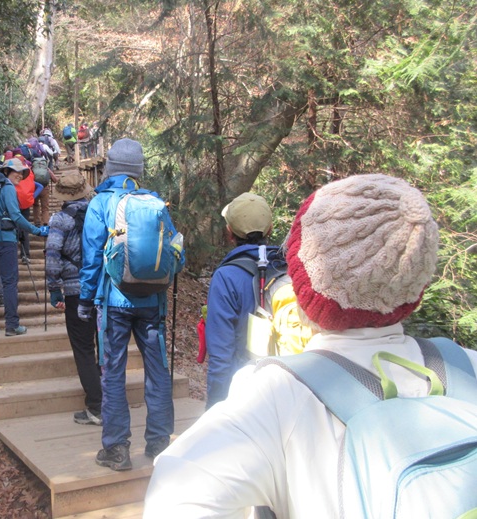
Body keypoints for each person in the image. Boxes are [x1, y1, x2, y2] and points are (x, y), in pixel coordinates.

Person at [144, 173, 477, 517]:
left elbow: (172, 497)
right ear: (415, 286)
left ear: (306, 281)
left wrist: (218, 411)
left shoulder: (273, 397)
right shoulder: (466, 364)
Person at [79, 138, 183, 471]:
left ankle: (117, 449)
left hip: (113, 303)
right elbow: (176, 254)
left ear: (109, 168)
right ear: (138, 170)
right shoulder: (155, 203)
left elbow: (91, 257)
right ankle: (159, 443)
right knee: (157, 371)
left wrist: (85, 299)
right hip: (152, 303)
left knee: (112, 372)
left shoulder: (101, 203)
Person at [204, 192, 275, 408]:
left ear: (229, 233)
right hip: (287, 386)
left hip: (243, 392)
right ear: (270, 230)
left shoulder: (226, 276)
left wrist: (215, 405)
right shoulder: (290, 269)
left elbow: (220, 354)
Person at [45, 173, 103, 426]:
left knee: (83, 348)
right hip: (102, 289)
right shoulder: (98, 214)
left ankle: (97, 407)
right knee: (105, 345)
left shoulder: (60, 219)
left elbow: (52, 255)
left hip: (75, 292)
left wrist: (54, 288)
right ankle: (111, 400)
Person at [0, 158, 48, 337]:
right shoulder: (7, 187)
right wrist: (36, 230)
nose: (20, 175)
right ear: (6, 171)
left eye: (22, 172)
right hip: (5, 240)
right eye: (16, 171)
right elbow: (16, 216)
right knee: (9, 282)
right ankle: (12, 325)